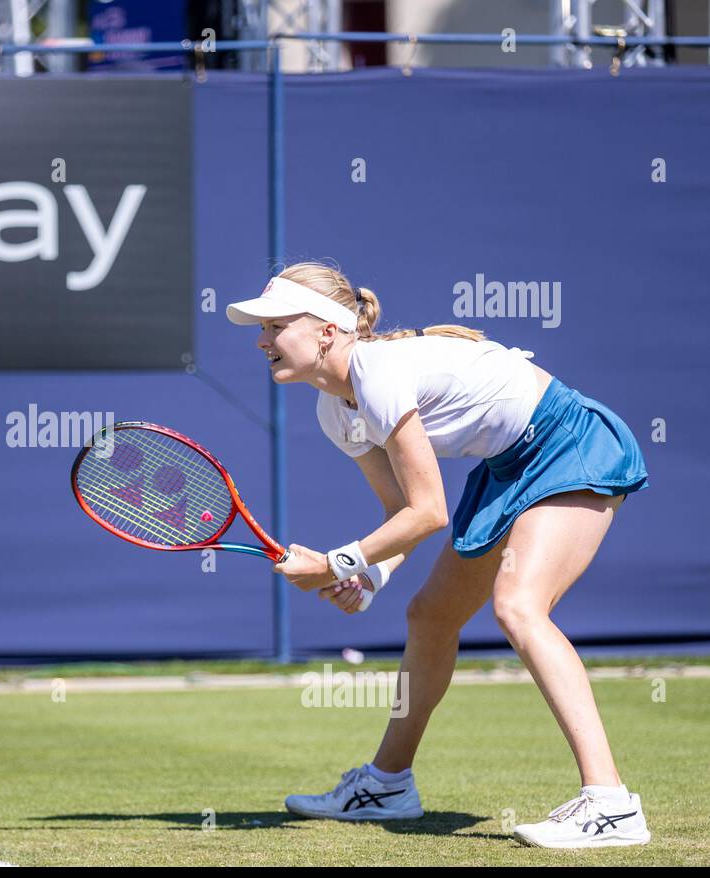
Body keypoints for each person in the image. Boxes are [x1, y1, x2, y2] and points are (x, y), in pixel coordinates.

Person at [225, 261, 651, 848]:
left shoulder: (377, 372)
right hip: (508, 466)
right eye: (261, 328)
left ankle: (611, 804)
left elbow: (430, 513)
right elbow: (401, 514)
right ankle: (387, 785)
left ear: (326, 329)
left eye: (276, 325)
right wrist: (370, 572)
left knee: (519, 607)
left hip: (568, 442)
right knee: (430, 617)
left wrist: (333, 565)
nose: (262, 339)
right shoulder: (333, 411)